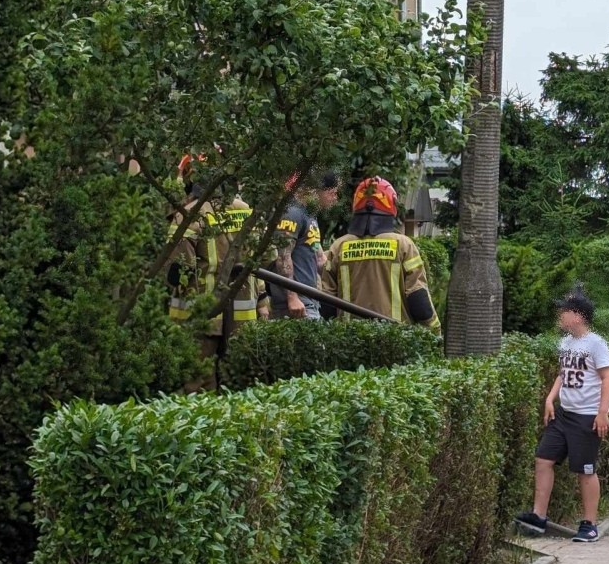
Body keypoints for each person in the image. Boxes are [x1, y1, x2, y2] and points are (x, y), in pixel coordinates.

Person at [515, 288, 609, 543]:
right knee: (543, 459)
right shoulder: (565, 343)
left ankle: (590, 524)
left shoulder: (596, 344)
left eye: (565, 311)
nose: (560, 315)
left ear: (579, 316)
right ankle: (539, 516)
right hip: (563, 415)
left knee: (585, 470)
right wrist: (550, 398)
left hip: (586, 417)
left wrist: (602, 413)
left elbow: (607, 377)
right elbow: (562, 373)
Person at [167, 154, 259, 388]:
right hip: (243, 311)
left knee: (198, 383)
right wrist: (264, 299)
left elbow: (179, 272)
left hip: (201, 312)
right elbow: (263, 259)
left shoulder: (189, 214)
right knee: (238, 381)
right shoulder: (246, 210)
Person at [319, 177, 440, 332]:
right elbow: (418, 297)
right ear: (391, 205)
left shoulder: (339, 247)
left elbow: (327, 304)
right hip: (395, 338)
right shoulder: (403, 245)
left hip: (350, 339)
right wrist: (434, 329)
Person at [266, 173, 325, 320]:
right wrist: (292, 297)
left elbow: (319, 257)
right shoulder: (291, 212)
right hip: (295, 304)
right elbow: (283, 257)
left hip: (310, 300)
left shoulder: (309, 215)